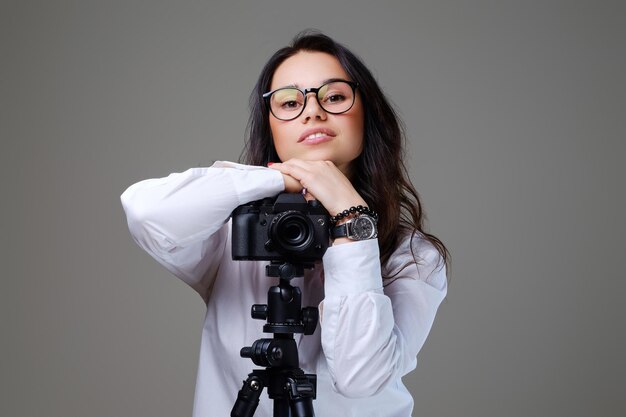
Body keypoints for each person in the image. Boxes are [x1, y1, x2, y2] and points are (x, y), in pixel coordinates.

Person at [121, 31, 449, 417]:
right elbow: (146, 212)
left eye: (335, 96)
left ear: (367, 114)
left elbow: (361, 377)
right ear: (271, 126)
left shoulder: (413, 257)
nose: (312, 111)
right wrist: (283, 178)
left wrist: (352, 220)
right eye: (290, 102)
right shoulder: (233, 230)